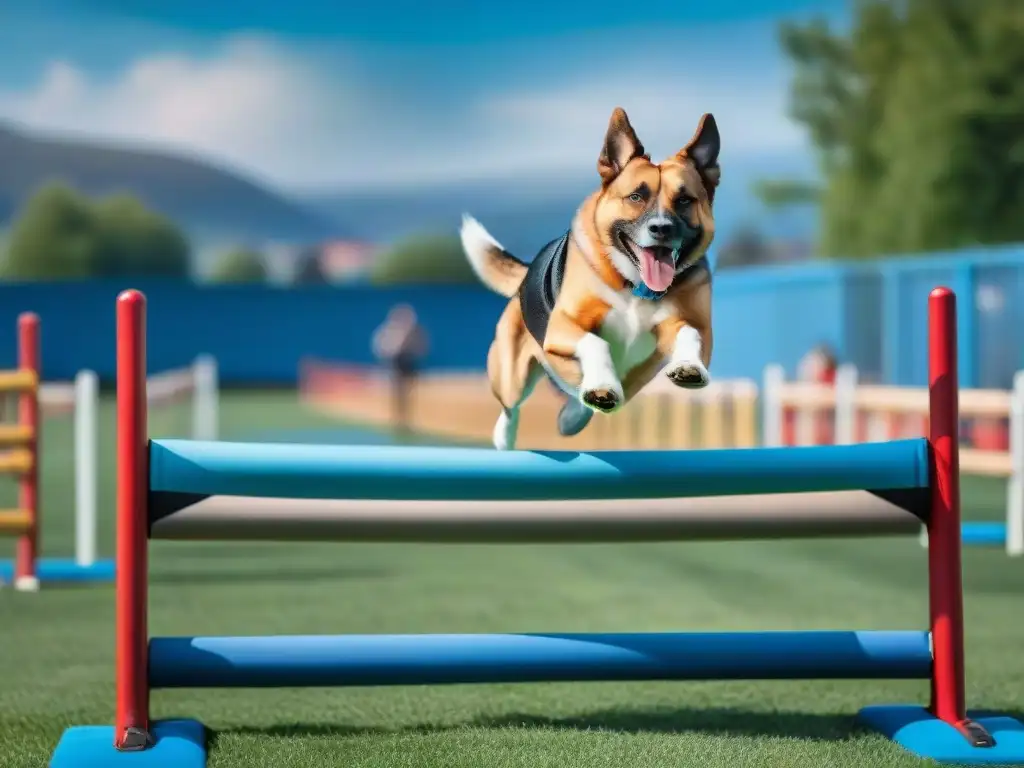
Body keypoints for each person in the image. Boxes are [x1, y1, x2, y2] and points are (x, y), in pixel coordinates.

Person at [372, 304, 428, 439]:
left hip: (408, 362)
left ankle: (406, 419)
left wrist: (415, 351)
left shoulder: (415, 332)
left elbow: (421, 346)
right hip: (397, 362)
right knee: (397, 392)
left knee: (408, 392)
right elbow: (382, 346)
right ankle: (397, 420)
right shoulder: (390, 331)